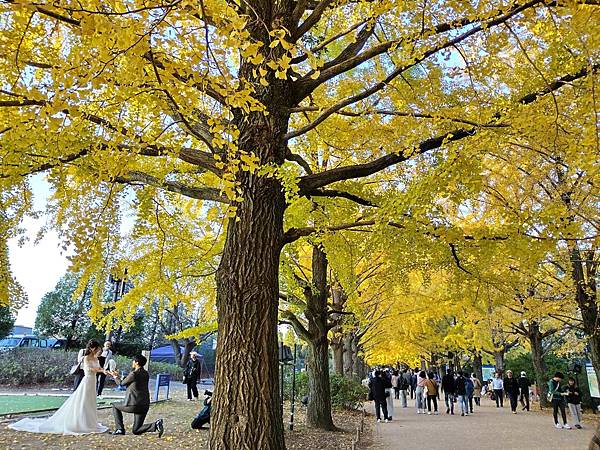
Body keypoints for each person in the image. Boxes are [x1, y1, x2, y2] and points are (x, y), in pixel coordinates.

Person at [9, 340, 109, 434]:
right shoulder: (86, 358)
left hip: (93, 381)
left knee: (91, 401)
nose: (98, 351)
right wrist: (100, 370)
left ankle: (90, 422)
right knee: (83, 401)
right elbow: (90, 369)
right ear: (92, 348)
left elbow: (99, 368)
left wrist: (105, 371)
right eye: (97, 349)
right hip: (87, 381)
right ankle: (80, 422)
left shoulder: (96, 358)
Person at [110, 354, 164, 436]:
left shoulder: (134, 374)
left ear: (137, 363)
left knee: (115, 406)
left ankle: (119, 429)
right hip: (144, 404)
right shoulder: (146, 373)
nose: (132, 362)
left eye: (133, 361)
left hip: (134, 404)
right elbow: (131, 382)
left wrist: (115, 376)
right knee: (136, 430)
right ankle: (155, 424)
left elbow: (121, 384)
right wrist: (119, 376)